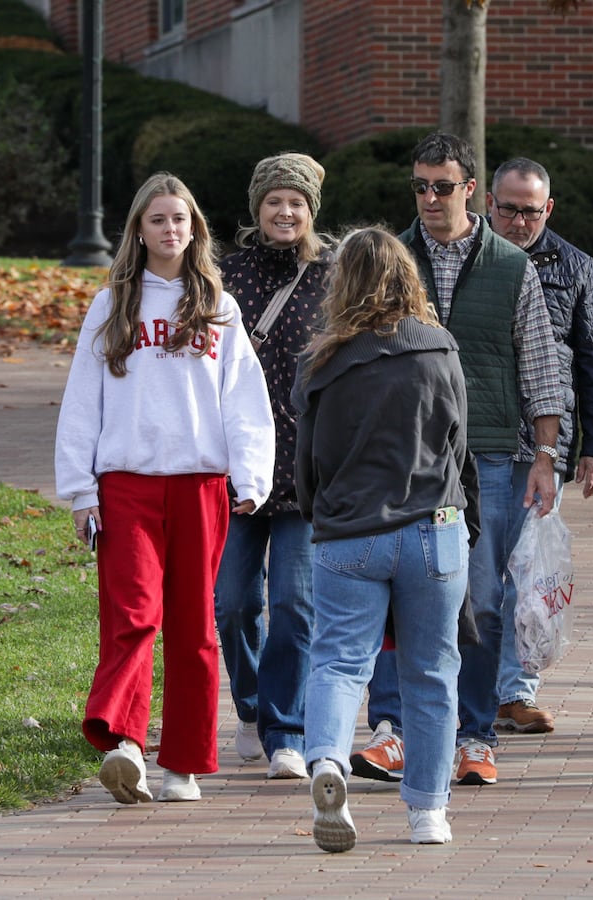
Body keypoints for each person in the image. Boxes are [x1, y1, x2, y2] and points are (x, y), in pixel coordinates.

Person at [351, 132, 564, 788]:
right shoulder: (391, 259)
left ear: (470, 189)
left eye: (443, 185)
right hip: (402, 455)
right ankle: (392, 734)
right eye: (420, 186)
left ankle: (474, 737)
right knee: (397, 596)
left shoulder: (509, 265)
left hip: (491, 454)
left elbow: (540, 362)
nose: (430, 197)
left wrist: (548, 453)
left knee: (481, 601)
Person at [54, 172, 275, 804]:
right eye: (157, 220)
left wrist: (252, 476)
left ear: (194, 228)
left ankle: (183, 764)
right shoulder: (112, 304)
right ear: (138, 230)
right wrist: (81, 488)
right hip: (125, 485)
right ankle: (124, 742)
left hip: (201, 484)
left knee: (194, 629)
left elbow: (243, 399)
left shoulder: (218, 306)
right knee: (133, 613)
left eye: (180, 219)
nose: (170, 229)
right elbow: (82, 400)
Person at [294, 226, 472, 851]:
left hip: (349, 531)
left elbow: (307, 461)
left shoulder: (322, 362)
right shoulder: (438, 349)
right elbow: (457, 445)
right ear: (407, 277)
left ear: (343, 282)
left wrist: (322, 517)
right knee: (431, 673)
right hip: (433, 528)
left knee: (339, 661)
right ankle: (428, 812)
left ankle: (326, 763)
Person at [484, 156, 593, 734]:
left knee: (529, 571)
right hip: (474, 441)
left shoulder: (576, 266)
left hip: (545, 446)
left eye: (530, 212)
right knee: (476, 574)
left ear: (549, 208)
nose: (518, 222)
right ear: (487, 203)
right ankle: (473, 687)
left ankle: (517, 689)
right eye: (509, 209)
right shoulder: (466, 259)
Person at [213, 152, 330, 780]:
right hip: (237, 468)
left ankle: (287, 729)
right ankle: (253, 703)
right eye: (275, 201)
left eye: (297, 202)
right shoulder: (223, 275)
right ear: (257, 208)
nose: (286, 212)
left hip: (308, 469)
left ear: (312, 210)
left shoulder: (334, 276)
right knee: (232, 602)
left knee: (295, 602)